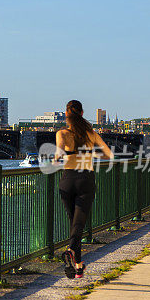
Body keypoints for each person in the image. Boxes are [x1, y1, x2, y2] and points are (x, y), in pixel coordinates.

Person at [55, 100, 113, 278]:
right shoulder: (91, 134)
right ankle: (72, 251)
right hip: (85, 179)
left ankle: (78, 265)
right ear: (82, 113)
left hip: (67, 180)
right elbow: (108, 155)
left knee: (74, 222)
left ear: (66, 115)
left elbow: (58, 156)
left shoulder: (62, 134)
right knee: (79, 223)